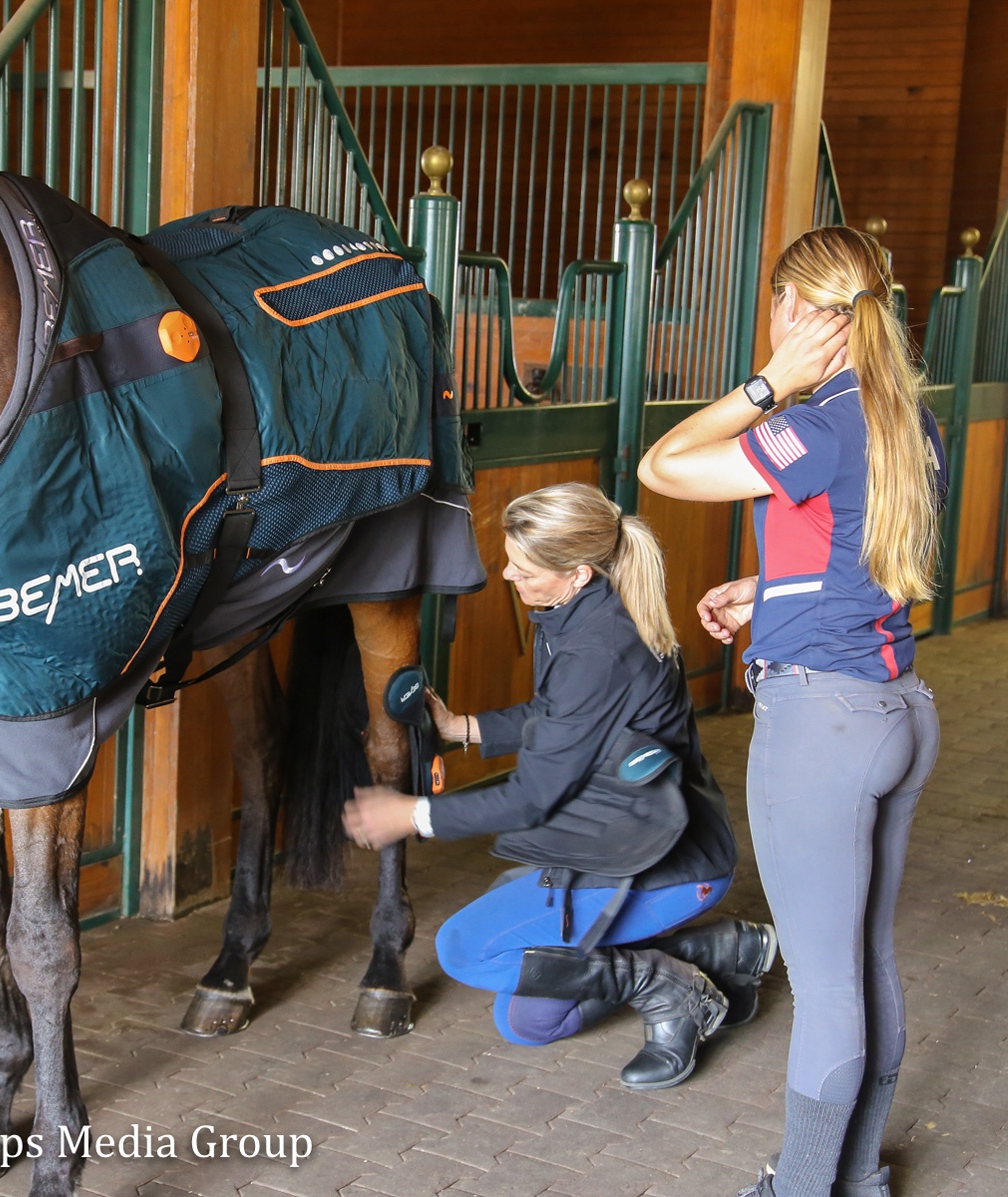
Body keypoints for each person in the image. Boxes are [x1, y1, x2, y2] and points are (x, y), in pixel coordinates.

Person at [638, 226, 945, 1197]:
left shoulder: (815, 420)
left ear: (797, 311)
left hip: (826, 725)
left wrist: (765, 381)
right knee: (866, 959)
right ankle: (853, 1181)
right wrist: (766, 592)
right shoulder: (906, 419)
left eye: (777, 306)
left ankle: (804, 1191)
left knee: (824, 985)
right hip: (900, 710)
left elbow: (665, 463)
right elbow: (865, 559)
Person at [343, 481, 775, 1091]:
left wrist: (412, 816)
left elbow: (532, 796)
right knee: (528, 1020)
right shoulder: (580, 613)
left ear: (576, 573)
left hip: (660, 858)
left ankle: (673, 988)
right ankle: (720, 950)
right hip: (626, 833)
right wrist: (461, 727)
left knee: (467, 950)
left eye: (524, 567)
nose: (508, 575)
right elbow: (561, 718)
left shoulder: (599, 645)